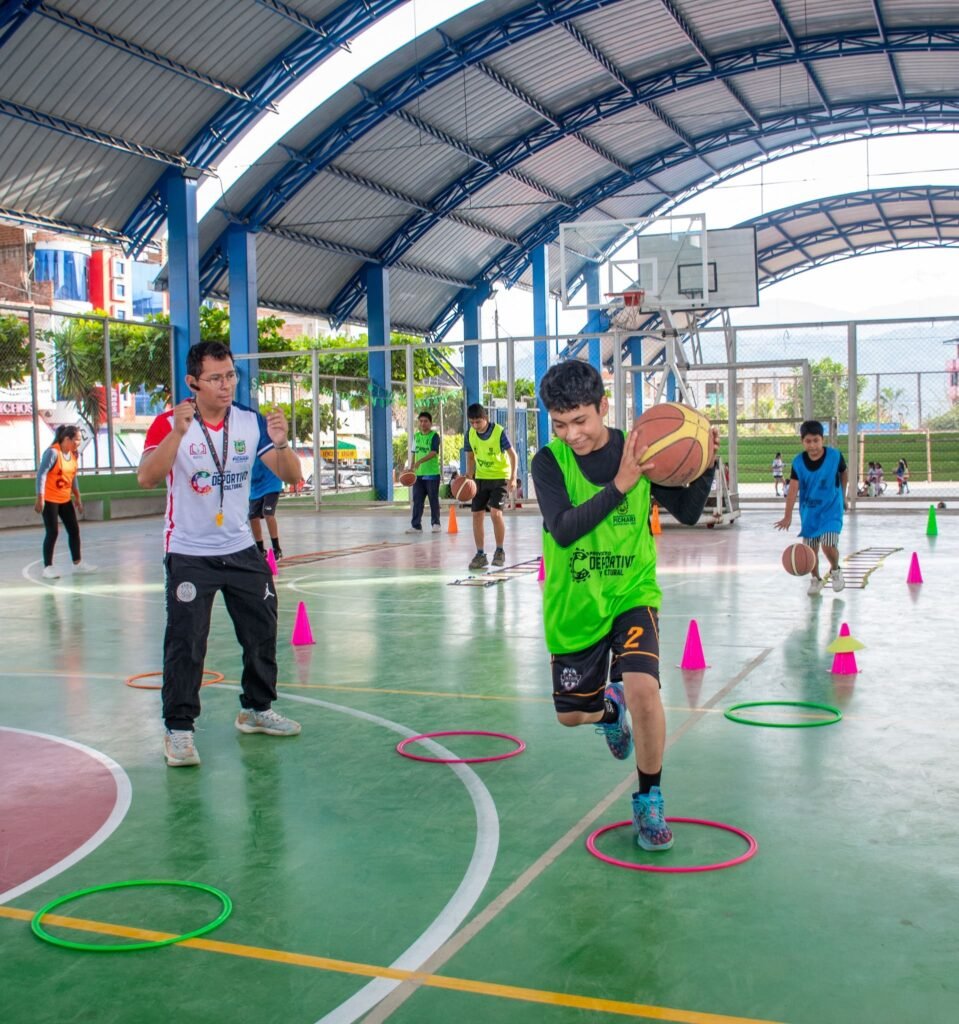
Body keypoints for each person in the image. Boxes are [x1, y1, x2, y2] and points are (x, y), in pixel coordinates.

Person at [530, 362, 716, 852]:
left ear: (603, 407)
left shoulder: (640, 449)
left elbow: (688, 513)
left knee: (644, 690)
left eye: (581, 421)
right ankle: (608, 712)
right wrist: (621, 487)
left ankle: (649, 799)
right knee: (572, 716)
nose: (572, 434)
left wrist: (707, 462)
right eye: (560, 424)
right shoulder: (548, 463)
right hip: (575, 603)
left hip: (633, 592)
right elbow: (563, 529)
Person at [138, 341, 304, 768]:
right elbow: (147, 478)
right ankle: (179, 729)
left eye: (230, 375)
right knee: (187, 641)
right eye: (215, 378)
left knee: (262, 629)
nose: (226, 385)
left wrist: (282, 444)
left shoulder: (249, 421)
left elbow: (293, 476)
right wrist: (177, 434)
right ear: (193, 382)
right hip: (189, 552)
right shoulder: (168, 423)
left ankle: (256, 709)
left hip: (240, 548)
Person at [775, 420, 848, 596]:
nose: (813, 445)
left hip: (831, 509)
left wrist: (843, 496)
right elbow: (793, 490)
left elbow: (844, 473)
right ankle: (816, 579)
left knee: (828, 544)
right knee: (810, 550)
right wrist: (787, 516)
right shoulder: (798, 463)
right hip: (810, 512)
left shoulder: (835, 456)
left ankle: (835, 570)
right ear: (802, 441)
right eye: (808, 441)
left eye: (816, 440)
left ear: (822, 439)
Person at [34, 424, 97, 579]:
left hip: (65, 499)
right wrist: (40, 497)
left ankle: (77, 563)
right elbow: (41, 474)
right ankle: (48, 567)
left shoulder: (73, 455)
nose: (78, 443)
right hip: (50, 499)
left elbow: (73, 477)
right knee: (52, 532)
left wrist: (77, 496)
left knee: (74, 530)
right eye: (77, 439)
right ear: (67, 439)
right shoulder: (53, 453)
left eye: (80, 440)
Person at [464, 402, 517, 569]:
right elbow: (470, 456)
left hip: (500, 477)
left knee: (495, 513)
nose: (475, 425)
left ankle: (499, 551)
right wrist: (469, 476)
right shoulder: (470, 434)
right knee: (476, 515)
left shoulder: (499, 432)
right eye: (472, 422)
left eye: (478, 421)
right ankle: (480, 554)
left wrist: (513, 477)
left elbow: (513, 455)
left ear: (485, 418)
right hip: (481, 478)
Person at [405, 410, 442, 534]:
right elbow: (414, 453)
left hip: (431, 474)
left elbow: (433, 452)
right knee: (417, 500)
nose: (423, 423)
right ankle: (416, 526)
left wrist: (420, 461)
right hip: (418, 475)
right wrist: (411, 468)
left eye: (425, 421)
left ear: (430, 423)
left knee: (433, 499)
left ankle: (436, 523)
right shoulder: (416, 436)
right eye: (421, 421)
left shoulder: (434, 436)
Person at [249, 456, 285, 560]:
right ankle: (260, 550)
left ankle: (277, 548)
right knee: (252, 517)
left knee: (268, 513)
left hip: (271, 484)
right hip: (255, 487)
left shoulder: (266, 446)